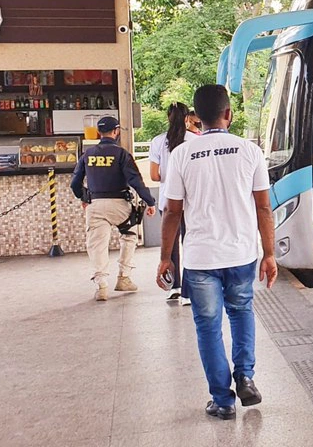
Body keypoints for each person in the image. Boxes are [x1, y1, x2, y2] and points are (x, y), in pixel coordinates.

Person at [158, 85, 277, 420]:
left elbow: (172, 212)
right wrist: (269, 254)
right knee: (241, 312)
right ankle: (246, 376)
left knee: (208, 326)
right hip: (241, 254)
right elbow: (263, 208)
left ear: (196, 118)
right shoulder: (249, 151)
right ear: (229, 114)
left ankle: (222, 401)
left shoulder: (182, 154)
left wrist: (165, 258)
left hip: (200, 259)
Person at [71, 116, 156, 301]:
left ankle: (101, 286)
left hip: (95, 205)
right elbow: (136, 180)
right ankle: (124, 277)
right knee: (130, 234)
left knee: (97, 244)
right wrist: (149, 201)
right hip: (119, 204)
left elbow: (75, 183)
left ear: (99, 132)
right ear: (116, 131)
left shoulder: (87, 154)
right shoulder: (121, 154)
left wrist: (85, 197)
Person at [149, 102, 198, 304]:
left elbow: (154, 175)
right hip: (192, 201)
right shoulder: (195, 140)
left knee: (171, 245)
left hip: (168, 201)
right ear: (187, 118)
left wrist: (169, 175)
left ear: (168, 118)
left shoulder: (158, 141)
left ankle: (174, 287)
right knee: (191, 243)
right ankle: (188, 291)